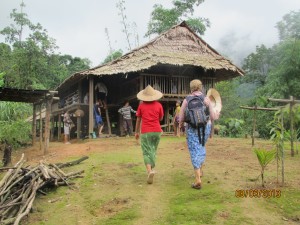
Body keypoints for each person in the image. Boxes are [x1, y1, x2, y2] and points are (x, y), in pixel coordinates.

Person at [178, 79, 220, 190]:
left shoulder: (187, 100)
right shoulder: (206, 99)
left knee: (194, 149)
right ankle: (200, 171)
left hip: (192, 128)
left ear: (191, 88)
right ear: (200, 87)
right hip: (205, 127)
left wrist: (180, 126)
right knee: (201, 147)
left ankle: (197, 180)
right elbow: (213, 116)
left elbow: (181, 117)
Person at [135, 85, 164, 184]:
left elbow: (138, 119)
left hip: (146, 131)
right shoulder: (159, 105)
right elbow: (160, 118)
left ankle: (149, 171)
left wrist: (136, 132)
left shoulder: (141, 106)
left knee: (146, 151)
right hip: (157, 131)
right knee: (153, 150)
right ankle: (151, 168)